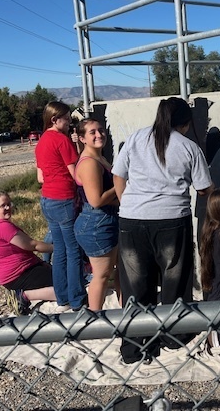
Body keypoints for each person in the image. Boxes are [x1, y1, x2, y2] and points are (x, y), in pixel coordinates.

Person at [112, 96, 214, 363]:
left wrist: (129, 205)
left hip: (131, 221)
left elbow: (118, 176)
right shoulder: (189, 147)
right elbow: (204, 188)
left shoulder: (136, 138)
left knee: (134, 285)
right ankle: (172, 337)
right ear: (185, 121)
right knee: (174, 281)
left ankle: (133, 347)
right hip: (171, 221)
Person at [35, 101, 87, 312]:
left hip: (47, 199)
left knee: (60, 250)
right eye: (66, 119)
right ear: (55, 120)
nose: (69, 123)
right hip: (64, 199)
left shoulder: (41, 142)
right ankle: (76, 298)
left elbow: (40, 177)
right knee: (73, 250)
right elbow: (78, 176)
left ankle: (62, 296)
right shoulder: (61, 141)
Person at [0, 191, 56, 315]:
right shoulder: (1, 227)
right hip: (19, 274)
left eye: (9, 204)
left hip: (9, 275)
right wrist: (58, 248)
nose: (8, 208)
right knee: (67, 287)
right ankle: (23, 295)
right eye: (2, 206)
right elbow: (33, 245)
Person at [74, 118, 120, 311]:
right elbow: (96, 200)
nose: (99, 135)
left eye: (101, 130)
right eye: (92, 132)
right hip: (96, 224)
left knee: (118, 270)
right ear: (82, 138)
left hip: (105, 220)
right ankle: (95, 319)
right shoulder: (89, 163)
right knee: (101, 275)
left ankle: (125, 311)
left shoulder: (99, 157)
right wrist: (120, 183)